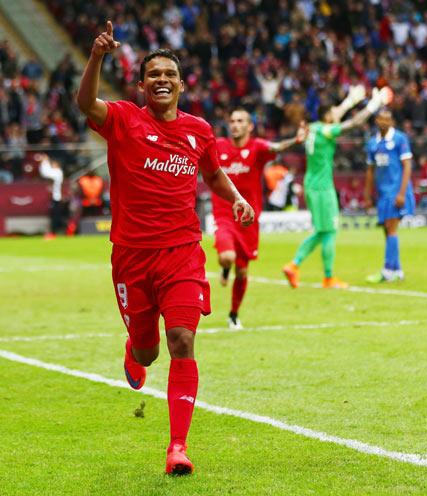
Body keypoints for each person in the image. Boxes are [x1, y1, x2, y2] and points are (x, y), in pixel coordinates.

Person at [76, 22, 254, 474]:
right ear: (141, 84)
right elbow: (84, 103)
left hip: (182, 253)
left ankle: (178, 447)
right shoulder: (123, 119)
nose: (161, 80)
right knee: (147, 352)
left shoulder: (199, 131)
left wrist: (235, 198)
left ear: (179, 83)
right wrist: (97, 57)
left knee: (182, 340)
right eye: (152, 74)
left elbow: (212, 174)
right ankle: (133, 348)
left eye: (168, 75)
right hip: (132, 257)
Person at [282, 85, 391, 289]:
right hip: (322, 188)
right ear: (328, 117)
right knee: (330, 231)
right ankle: (327, 277)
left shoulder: (315, 127)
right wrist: (374, 104)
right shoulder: (326, 130)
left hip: (311, 183)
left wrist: (351, 100)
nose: (336, 114)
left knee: (322, 231)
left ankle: (294, 265)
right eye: (333, 113)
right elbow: (354, 123)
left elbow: (335, 114)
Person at [211, 109, 306, 330]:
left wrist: (295, 139)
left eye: (240, 121)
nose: (234, 124)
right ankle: (225, 268)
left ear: (249, 126)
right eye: (232, 120)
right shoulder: (219, 146)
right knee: (226, 256)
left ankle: (233, 314)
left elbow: (277, 147)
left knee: (242, 272)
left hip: (247, 218)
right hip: (224, 213)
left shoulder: (257, 147)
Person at [364, 109, 415, 282]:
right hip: (383, 193)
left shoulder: (400, 139)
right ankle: (397, 270)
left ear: (392, 122)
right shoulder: (372, 143)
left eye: (387, 119)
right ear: (376, 120)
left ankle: (387, 271)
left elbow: (407, 166)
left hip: (396, 192)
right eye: (380, 118)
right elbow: (370, 171)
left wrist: (402, 193)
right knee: (387, 230)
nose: (383, 122)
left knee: (391, 228)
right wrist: (367, 195)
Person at [37, 153, 65, 239]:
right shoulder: (57, 172)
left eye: (52, 164)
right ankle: (55, 232)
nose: (52, 165)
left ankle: (53, 233)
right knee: (55, 216)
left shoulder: (58, 172)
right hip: (55, 197)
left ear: (57, 164)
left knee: (55, 216)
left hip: (56, 197)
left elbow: (46, 173)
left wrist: (45, 161)